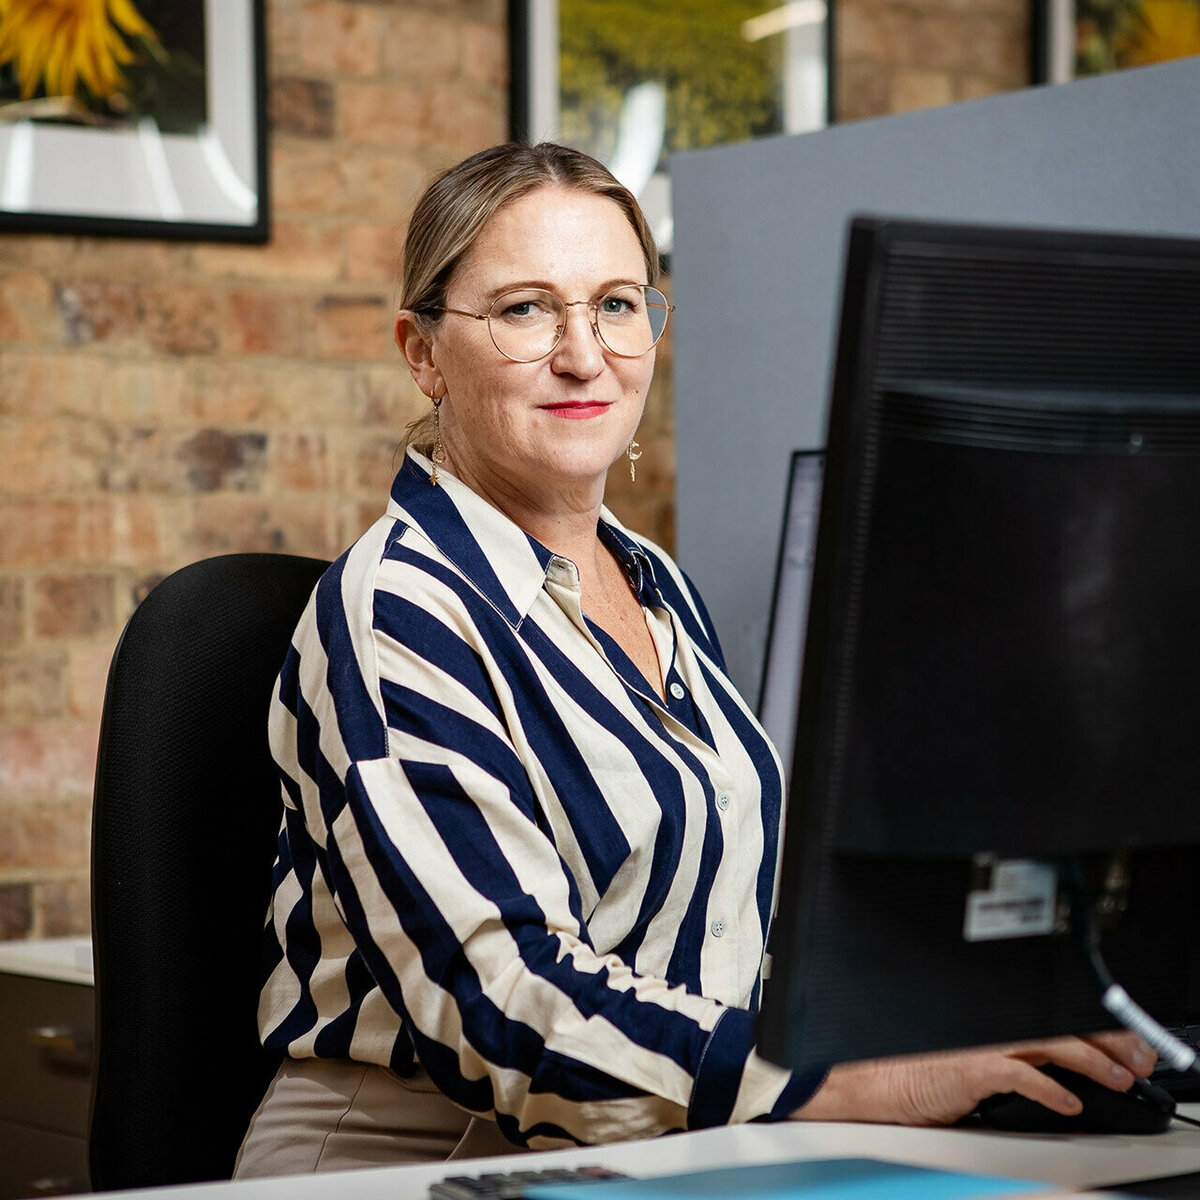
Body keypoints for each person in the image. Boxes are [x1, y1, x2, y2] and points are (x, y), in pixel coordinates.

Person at [234, 142, 1154, 1177]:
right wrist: (848, 1080)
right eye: (527, 309)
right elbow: (503, 1002)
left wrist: (944, 1018)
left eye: (619, 304)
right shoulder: (396, 609)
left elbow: (728, 930)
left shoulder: (657, 588)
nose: (586, 354)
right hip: (423, 1163)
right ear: (424, 351)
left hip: (671, 1146)